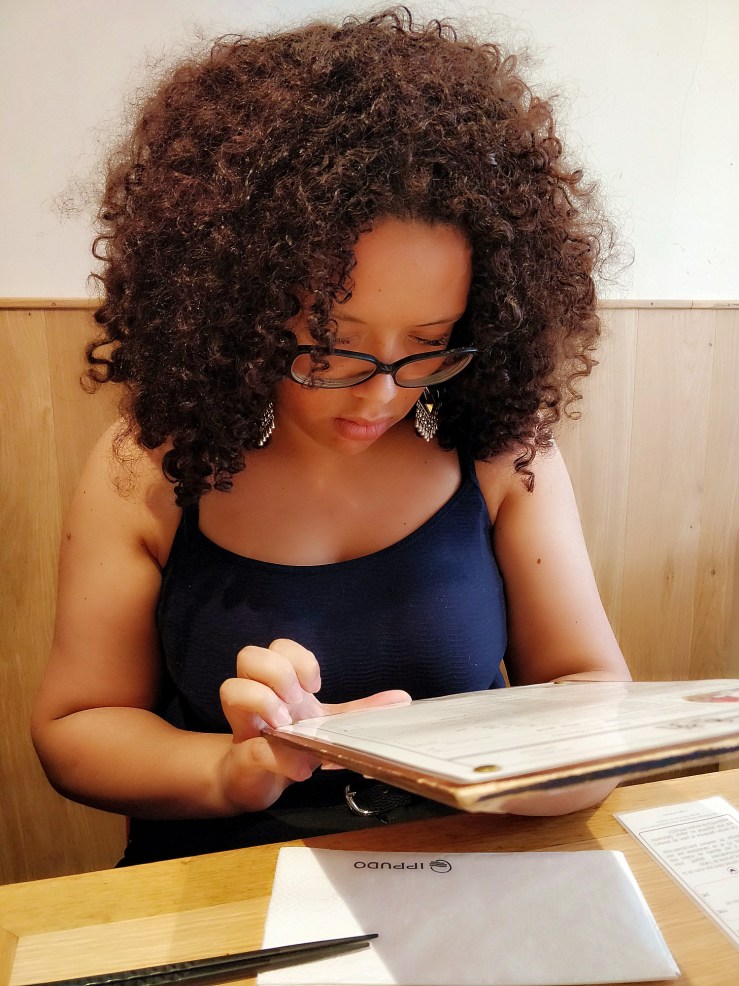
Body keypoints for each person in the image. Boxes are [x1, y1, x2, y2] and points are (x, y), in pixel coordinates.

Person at [31, 6, 630, 865]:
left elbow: (592, 692)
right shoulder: (152, 465)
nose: (382, 394)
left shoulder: (500, 449)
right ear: (237, 310)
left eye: (428, 343)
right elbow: (78, 726)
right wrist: (234, 771)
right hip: (227, 888)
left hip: (464, 877)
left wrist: (495, 771)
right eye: (329, 346)